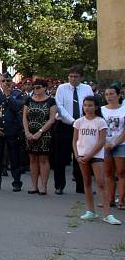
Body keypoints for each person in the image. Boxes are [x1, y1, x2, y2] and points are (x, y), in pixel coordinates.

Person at [74, 95, 120, 225]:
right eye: (85, 105)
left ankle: (107, 214)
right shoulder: (79, 122)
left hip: (96, 156)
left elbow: (101, 141)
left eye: (90, 105)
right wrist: (77, 155)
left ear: (96, 107)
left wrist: (90, 155)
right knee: (86, 182)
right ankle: (90, 211)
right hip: (82, 155)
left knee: (101, 183)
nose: (88, 108)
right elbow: (74, 140)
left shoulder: (100, 121)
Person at [53, 66, 95, 194]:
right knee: (60, 158)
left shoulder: (87, 89)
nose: (72, 79)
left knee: (80, 156)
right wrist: (72, 121)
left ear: (81, 78)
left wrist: (83, 121)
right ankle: (59, 186)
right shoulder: (62, 88)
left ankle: (81, 186)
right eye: (70, 76)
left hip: (82, 126)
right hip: (65, 125)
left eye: (76, 76)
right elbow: (59, 106)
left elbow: (90, 105)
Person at [0, 72, 26, 192]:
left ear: (12, 82)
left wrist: (9, 96)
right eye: (3, 81)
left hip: (12, 130)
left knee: (14, 157)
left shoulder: (18, 94)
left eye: (8, 81)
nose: (5, 83)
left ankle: (17, 182)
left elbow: (18, 108)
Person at [22, 79, 57, 195]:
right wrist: (27, 132)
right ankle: (34, 186)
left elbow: (52, 119)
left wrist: (40, 132)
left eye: (38, 87)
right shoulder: (28, 100)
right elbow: (24, 117)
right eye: (34, 87)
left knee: (43, 159)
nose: (36, 90)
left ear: (45, 88)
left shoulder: (51, 101)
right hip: (30, 133)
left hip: (44, 133)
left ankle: (43, 186)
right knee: (32, 159)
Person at [101, 84, 125, 210]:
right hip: (105, 145)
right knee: (108, 173)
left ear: (118, 95)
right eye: (106, 94)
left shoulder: (123, 109)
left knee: (121, 172)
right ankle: (109, 199)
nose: (109, 97)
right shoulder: (101, 110)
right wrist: (104, 143)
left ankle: (121, 199)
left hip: (121, 144)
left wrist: (115, 143)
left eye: (112, 94)